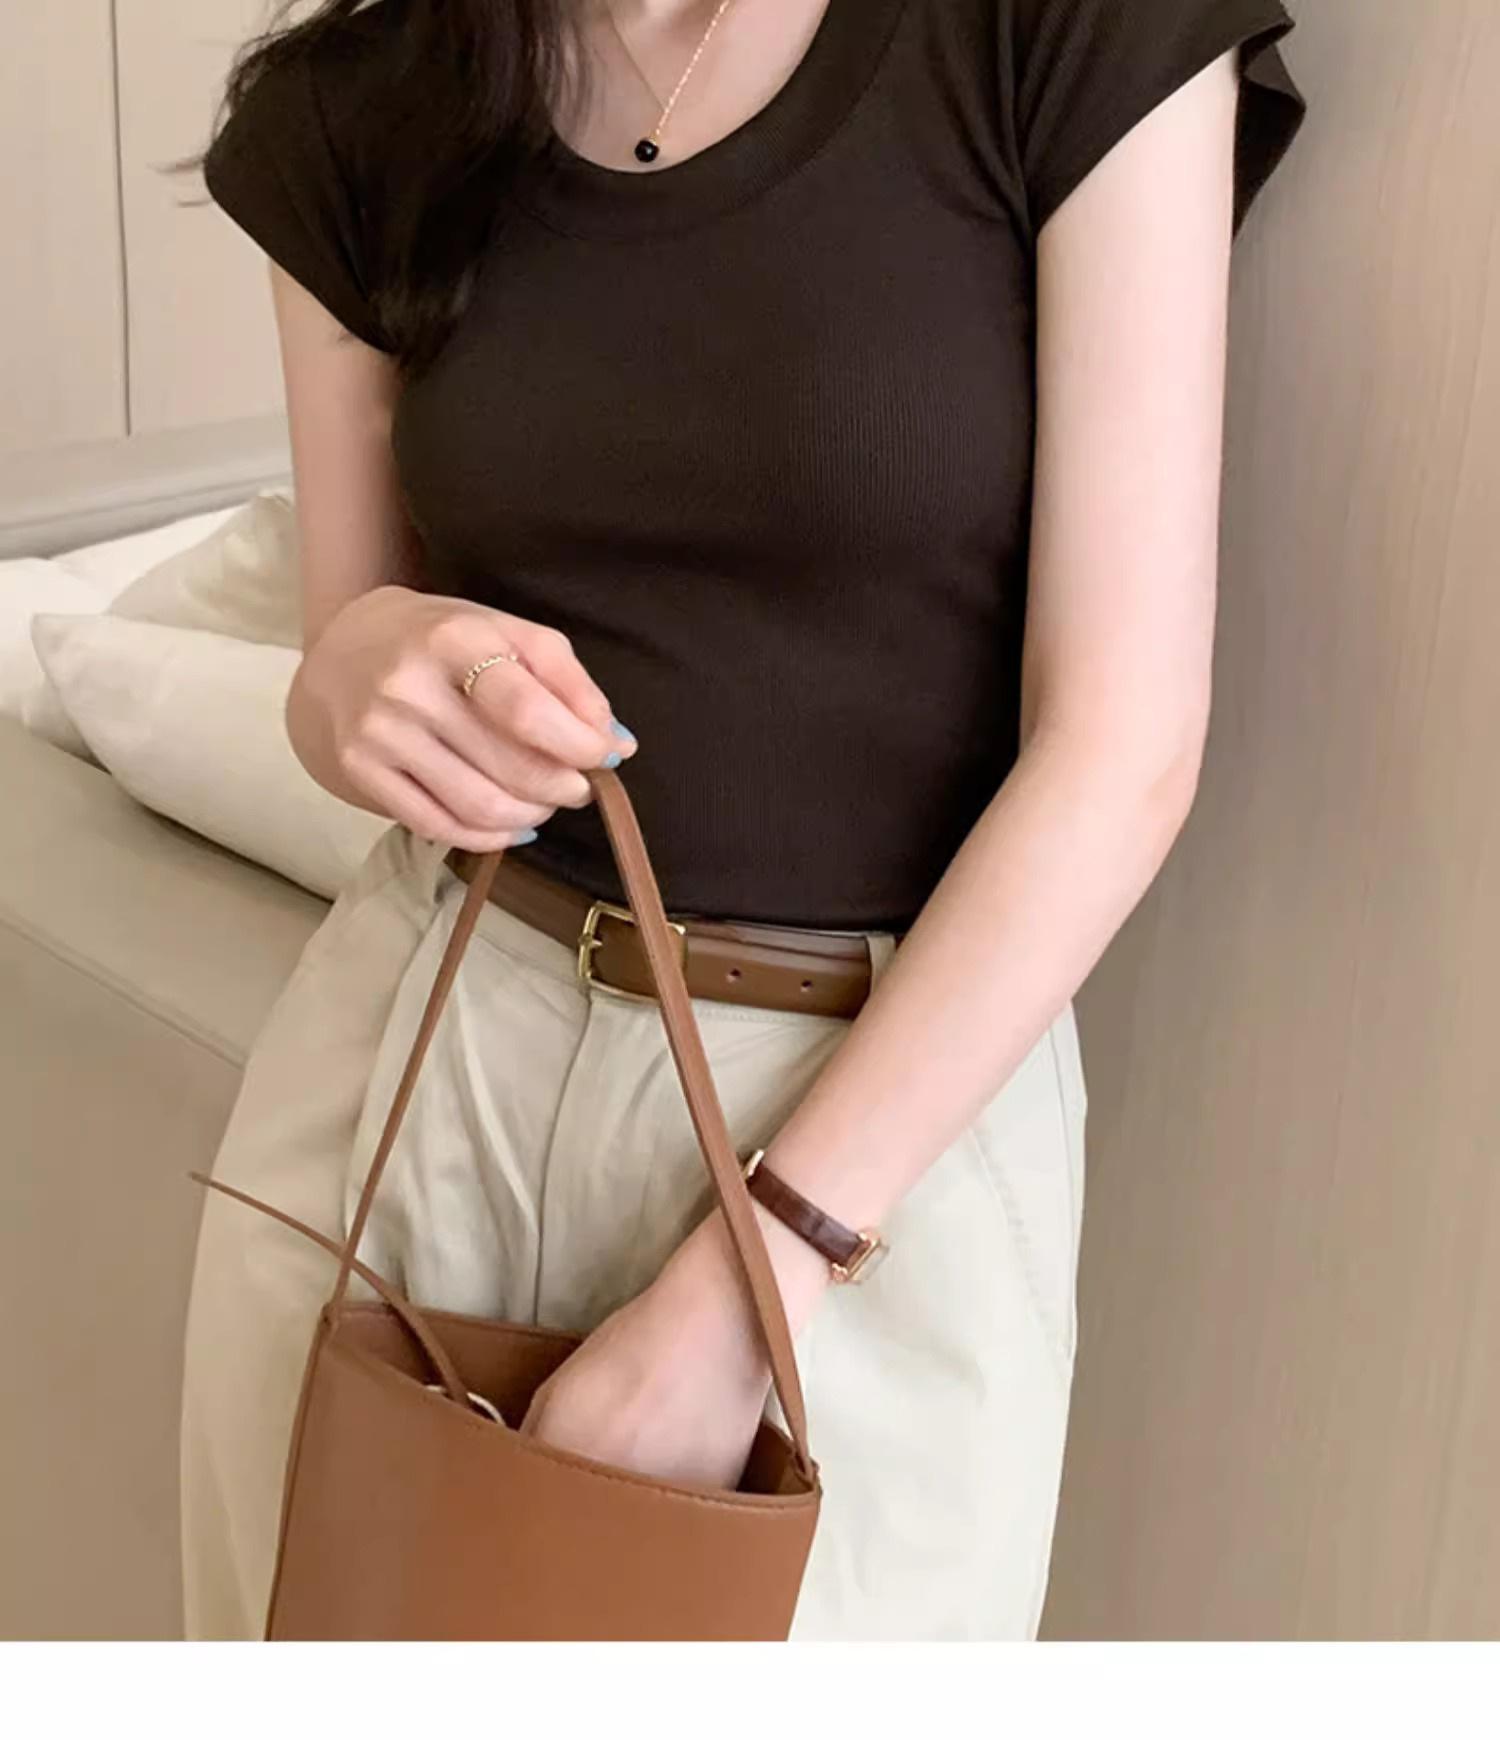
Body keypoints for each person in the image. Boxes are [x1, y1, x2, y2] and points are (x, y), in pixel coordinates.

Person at [179, 0, 1305, 1641]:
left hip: (871, 1124)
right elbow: (346, 644)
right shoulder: (365, 99)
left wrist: (749, 1286)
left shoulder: (1061, 31)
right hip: (430, 1047)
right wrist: (351, 672)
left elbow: (1121, 745)